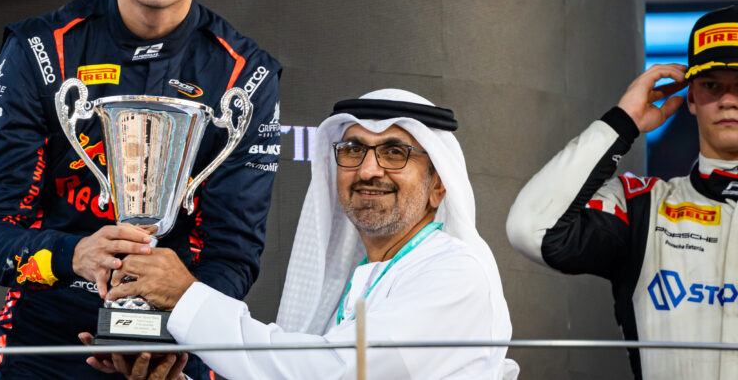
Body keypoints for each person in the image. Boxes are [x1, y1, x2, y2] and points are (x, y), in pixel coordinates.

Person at [0, 0, 283, 380]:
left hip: (176, 347)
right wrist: (76, 255)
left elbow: (234, 255)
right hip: (48, 345)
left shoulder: (247, 76)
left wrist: (174, 331)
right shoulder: (40, 51)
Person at [86, 89, 518, 379]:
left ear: (438, 185)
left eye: (394, 152)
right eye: (353, 150)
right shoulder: (360, 282)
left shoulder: (456, 273)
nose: (369, 169)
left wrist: (186, 297)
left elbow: (333, 373)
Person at [507, 4, 738, 379]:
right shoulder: (643, 206)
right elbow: (530, 229)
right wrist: (623, 122)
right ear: (691, 98)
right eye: (712, 85)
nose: (728, 99)